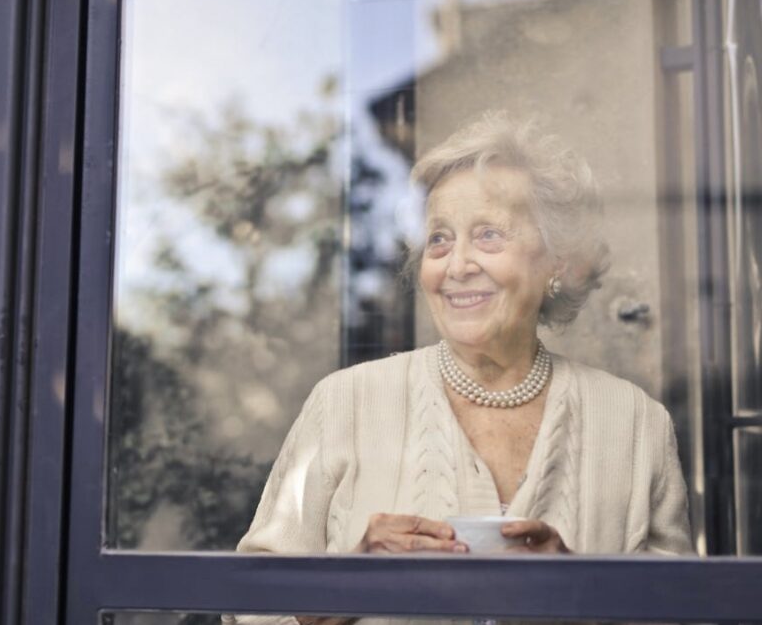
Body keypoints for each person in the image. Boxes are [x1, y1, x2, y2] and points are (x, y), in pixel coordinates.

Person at [227, 112, 694, 624]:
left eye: (489, 234)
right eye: (440, 239)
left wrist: (576, 588)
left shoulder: (634, 424)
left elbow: (684, 612)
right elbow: (249, 613)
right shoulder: (344, 403)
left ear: (557, 262)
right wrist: (351, 578)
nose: (457, 265)